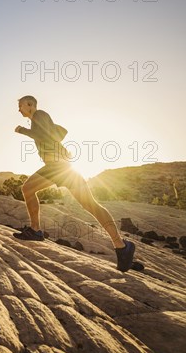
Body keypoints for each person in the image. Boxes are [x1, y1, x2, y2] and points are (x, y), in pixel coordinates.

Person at [13, 95, 136, 272]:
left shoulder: (39, 115)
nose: (19, 109)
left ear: (30, 105)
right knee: (91, 205)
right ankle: (122, 246)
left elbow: (45, 134)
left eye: (21, 105)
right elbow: (59, 133)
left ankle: (35, 230)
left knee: (28, 189)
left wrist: (22, 130)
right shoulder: (41, 119)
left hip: (57, 166)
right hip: (63, 166)